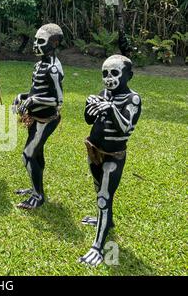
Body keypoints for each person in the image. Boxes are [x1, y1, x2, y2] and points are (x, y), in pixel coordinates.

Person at [79, 55, 142, 266]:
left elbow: (126, 128)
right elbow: (90, 119)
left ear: (128, 75)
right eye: (105, 73)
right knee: (99, 192)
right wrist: (89, 105)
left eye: (114, 73)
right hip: (94, 151)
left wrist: (110, 108)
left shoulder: (132, 99)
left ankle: (97, 247)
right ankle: (106, 221)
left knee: (104, 197)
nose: (108, 78)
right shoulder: (103, 94)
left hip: (113, 157)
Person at [12, 24, 64, 209]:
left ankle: (37, 195)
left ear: (54, 43)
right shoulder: (39, 64)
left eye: (40, 41)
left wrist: (33, 100)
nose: (35, 44)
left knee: (28, 154)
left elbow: (58, 101)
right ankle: (36, 187)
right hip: (35, 118)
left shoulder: (53, 69)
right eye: (35, 40)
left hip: (46, 120)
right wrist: (23, 97)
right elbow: (37, 91)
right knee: (36, 153)